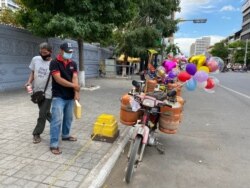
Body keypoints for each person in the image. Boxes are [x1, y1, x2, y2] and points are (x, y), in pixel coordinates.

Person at [49, 42, 80, 155]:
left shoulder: (73, 63)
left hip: (70, 96)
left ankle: (66, 135)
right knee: (56, 120)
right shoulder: (54, 63)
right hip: (58, 96)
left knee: (68, 118)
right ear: (61, 50)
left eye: (71, 52)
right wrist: (74, 86)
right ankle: (53, 144)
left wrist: (76, 92)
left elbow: (75, 77)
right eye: (67, 52)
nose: (69, 53)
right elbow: (58, 79)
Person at [25, 42, 53, 144]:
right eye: (41, 52)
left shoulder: (53, 63)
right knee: (45, 112)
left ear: (50, 52)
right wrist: (29, 82)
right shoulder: (35, 59)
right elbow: (33, 72)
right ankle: (58, 125)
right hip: (37, 92)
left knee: (42, 113)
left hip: (49, 92)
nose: (42, 54)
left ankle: (36, 133)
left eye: (45, 52)